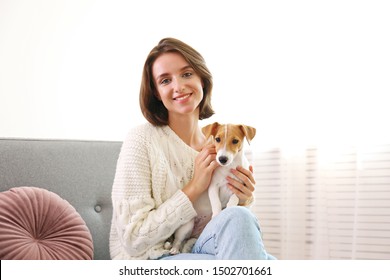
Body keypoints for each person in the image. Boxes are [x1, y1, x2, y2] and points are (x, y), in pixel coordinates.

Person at [109, 37, 275, 260]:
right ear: (157, 92)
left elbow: (232, 232)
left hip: (202, 247)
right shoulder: (141, 140)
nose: (179, 86)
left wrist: (242, 201)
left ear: (202, 80)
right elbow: (132, 239)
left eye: (187, 74)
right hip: (151, 257)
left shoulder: (221, 146)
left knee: (243, 224)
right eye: (165, 80)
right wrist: (195, 186)